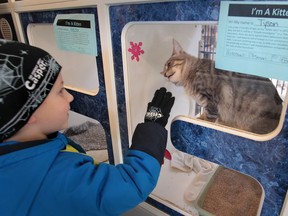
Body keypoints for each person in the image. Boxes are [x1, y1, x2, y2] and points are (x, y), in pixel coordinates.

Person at [0, 39, 175, 216]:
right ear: (29, 112)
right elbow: (130, 184)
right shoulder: (57, 180)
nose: (70, 97)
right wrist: (153, 126)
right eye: (60, 91)